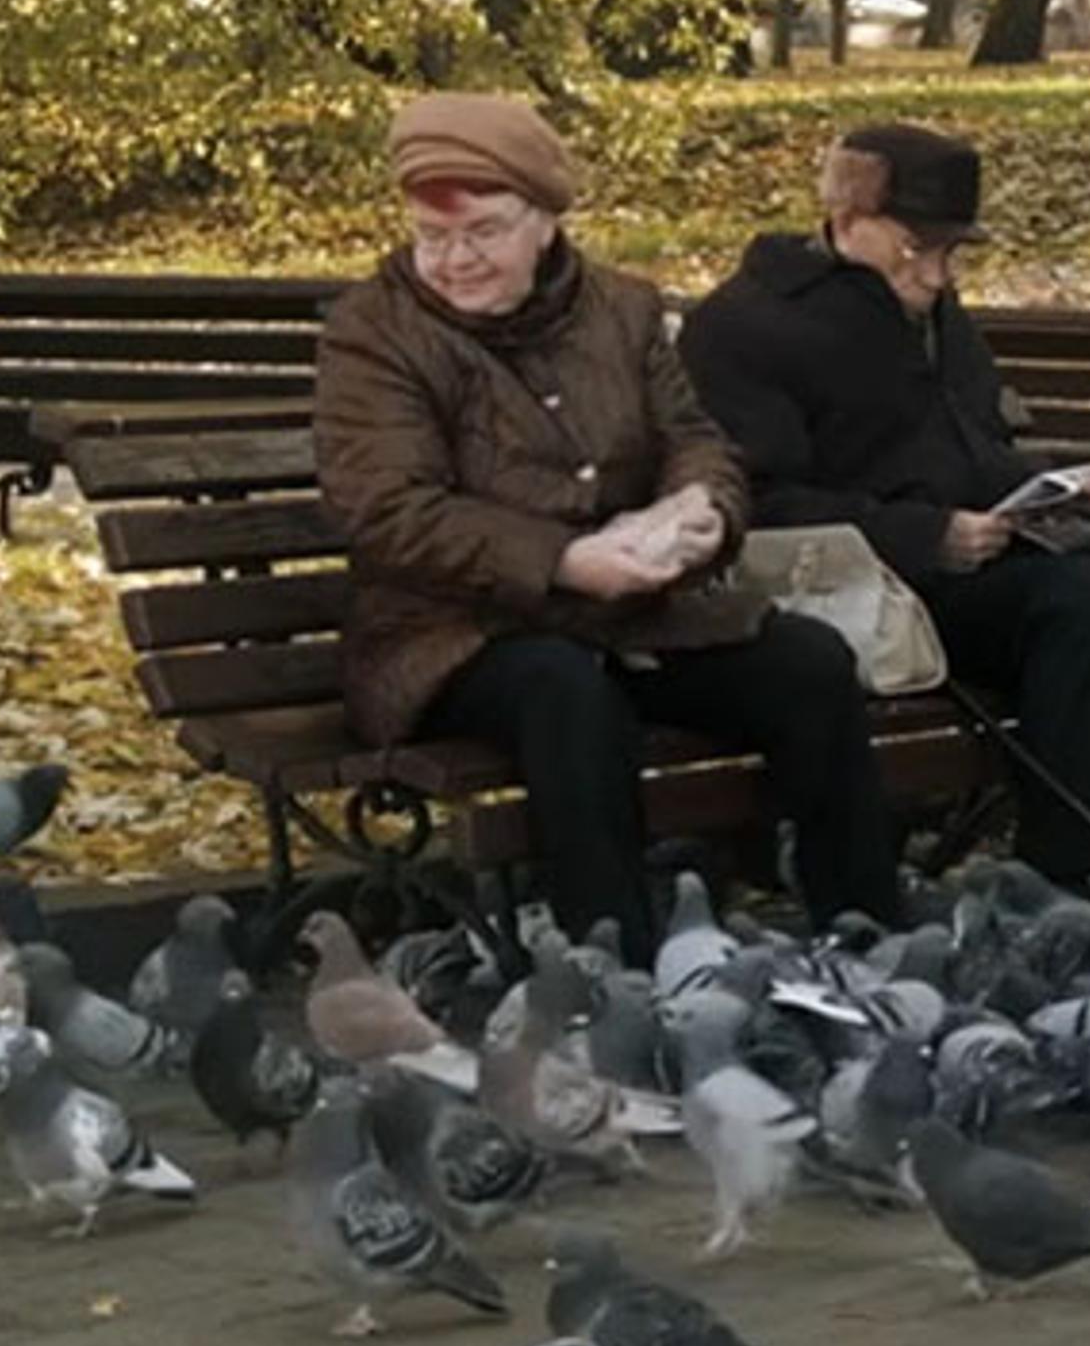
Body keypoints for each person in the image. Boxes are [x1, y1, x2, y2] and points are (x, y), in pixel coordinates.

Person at [313, 93, 901, 938]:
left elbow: (695, 440)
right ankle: (613, 960)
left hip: (631, 615)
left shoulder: (621, 308)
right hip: (451, 635)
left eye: (481, 231)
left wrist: (704, 508)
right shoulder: (375, 333)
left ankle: (865, 930)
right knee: (564, 687)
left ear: (545, 220)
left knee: (805, 660)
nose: (452, 259)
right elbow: (391, 509)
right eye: (431, 236)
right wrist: (563, 560)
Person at [679, 122, 1090, 907]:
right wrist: (928, 534)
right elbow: (761, 500)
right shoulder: (746, 325)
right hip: (879, 588)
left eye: (954, 253)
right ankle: (1072, 867)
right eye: (918, 248)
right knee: (1077, 596)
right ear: (848, 222)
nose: (938, 275)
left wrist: (1066, 492)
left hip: (992, 552)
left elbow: (973, 446)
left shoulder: (935, 314)